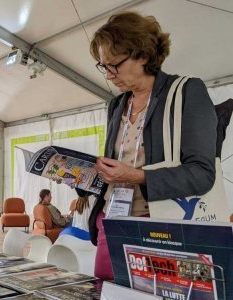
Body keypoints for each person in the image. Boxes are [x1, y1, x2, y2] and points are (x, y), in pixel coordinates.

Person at [88, 12, 217, 280]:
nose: (109, 75)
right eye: (103, 67)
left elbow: (202, 173)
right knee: (105, 291)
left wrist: (136, 176)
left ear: (143, 55)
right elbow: (116, 164)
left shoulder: (186, 91)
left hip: (159, 228)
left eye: (115, 65)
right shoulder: (116, 105)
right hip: (112, 221)